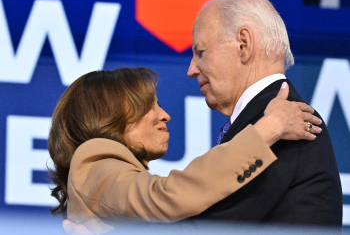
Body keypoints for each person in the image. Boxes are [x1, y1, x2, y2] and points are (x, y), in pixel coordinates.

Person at [49, 67, 320, 234]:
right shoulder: (94, 157)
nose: (164, 115)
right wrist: (267, 131)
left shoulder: (108, 175)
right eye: (149, 106)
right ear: (105, 115)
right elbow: (169, 197)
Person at [186, 0, 342, 226]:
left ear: (244, 44)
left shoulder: (286, 124)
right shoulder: (269, 117)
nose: (192, 70)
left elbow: (210, 227)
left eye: (200, 52)